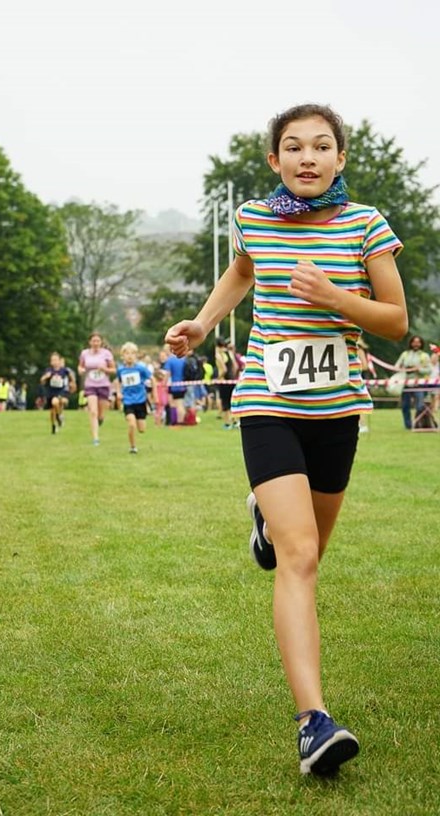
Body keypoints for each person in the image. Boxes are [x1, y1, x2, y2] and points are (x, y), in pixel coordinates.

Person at [165, 103, 408, 776]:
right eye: (293, 147)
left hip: (335, 412)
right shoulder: (253, 218)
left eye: (321, 146)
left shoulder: (366, 226)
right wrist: (205, 322)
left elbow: (395, 321)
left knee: (308, 551)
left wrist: (336, 298)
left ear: (340, 159)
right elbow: (243, 270)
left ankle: (266, 527)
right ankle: (313, 724)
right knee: (299, 556)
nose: (307, 157)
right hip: (267, 401)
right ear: (274, 161)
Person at [78, 332, 116, 445]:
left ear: (101, 342)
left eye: (97, 341)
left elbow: (113, 370)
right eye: (93, 341)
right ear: (90, 342)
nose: (95, 343)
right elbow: (80, 365)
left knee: (100, 414)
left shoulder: (106, 354)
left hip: (103, 385)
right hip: (90, 385)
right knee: (93, 412)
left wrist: (105, 369)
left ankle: (100, 420)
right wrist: (80, 369)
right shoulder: (84, 353)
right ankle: (95, 438)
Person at [116, 342, 154, 453]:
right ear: (122, 356)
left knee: (142, 429)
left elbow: (153, 379)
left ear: (136, 355)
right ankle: (133, 447)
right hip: (128, 401)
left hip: (141, 401)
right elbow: (118, 381)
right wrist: (118, 392)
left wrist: (154, 395)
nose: (130, 356)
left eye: (132, 353)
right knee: (131, 424)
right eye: (127, 353)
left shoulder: (141, 368)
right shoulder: (121, 370)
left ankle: (139, 427)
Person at [394, 335, 432, 429]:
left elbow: (429, 369)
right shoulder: (405, 354)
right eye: (414, 342)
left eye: (418, 342)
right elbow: (396, 366)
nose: (416, 344)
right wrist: (403, 369)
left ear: (421, 344)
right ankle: (408, 425)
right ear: (411, 343)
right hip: (406, 383)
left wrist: (418, 370)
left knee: (420, 406)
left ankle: (418, 423)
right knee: (405, 406)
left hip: (419, 384)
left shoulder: (424, 356)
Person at [40, 352, 76, 434]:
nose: (54, 362)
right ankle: (53, 425)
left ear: (60, 361)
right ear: (50, 362)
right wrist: (46, 377)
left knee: (56, 402)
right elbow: (42, 381)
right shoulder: (49, 370)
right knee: (52, 411)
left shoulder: (64, 370)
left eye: (56, 360)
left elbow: (71, 376)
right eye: (52, 360)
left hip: (60, 391)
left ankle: (59, 415)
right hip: (50, 392)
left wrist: (73, 383)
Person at [215, 338, 238, 429]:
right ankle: (235, 421)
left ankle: (227, 423)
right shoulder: (230, 353)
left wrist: (219, 378)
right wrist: (232, 376)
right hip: (231, 380)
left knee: (225, 403)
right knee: (232, 401)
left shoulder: (219, 355)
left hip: (224, 381)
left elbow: (223, 369)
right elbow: (235, 366)